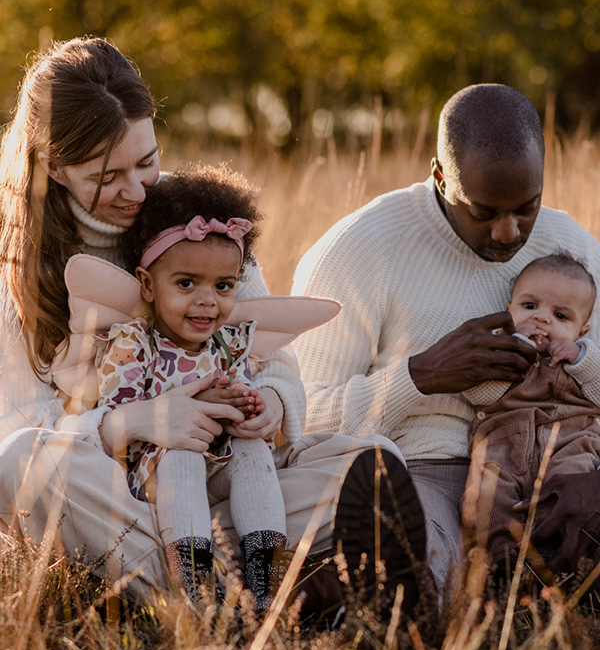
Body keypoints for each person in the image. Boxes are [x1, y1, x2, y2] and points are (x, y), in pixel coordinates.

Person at [0, 36, 421, 614]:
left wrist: (270, 401)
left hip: (223, 477)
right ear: (54, 166)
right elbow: (27, 430)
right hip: (112, 494)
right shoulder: (17, 273)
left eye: (146, 162)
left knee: (370, 462)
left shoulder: (195, 222)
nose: (137, 190)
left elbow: (275, 360)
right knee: (19, 463)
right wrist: (136, 421)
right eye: (107, 175)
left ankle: (228, 571)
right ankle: (234, 593)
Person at [292, 84, 600, 597]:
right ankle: (382, 590)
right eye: (483, 211)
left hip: (566, 457)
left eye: (528, 206)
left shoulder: (570, 249)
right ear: (439, 176)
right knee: (427, 550)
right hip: (427, 469)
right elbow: (296, 419)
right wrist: (420, 377)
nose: (508, 232)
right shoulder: (360, 249)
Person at [96, 166, 291, 610]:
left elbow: (241, 383)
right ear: (148, 284)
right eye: (186, 284)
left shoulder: (227, 341)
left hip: (219, 463)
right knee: (181, 454)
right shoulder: (134, 343)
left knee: (254, 451)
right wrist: (186, 410)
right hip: (159, 468)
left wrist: (250, 405)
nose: (208, 301)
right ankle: (197, 586)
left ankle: (266, 578)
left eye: (223, 286)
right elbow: (119, 413)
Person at [463, 253, 600, 568]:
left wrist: (582, 359)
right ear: (508, 308)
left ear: (582, 331)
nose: (542, 319)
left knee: (567, 489)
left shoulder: (585, 360)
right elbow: (475, 394)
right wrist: (511, 349)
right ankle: (500, 561)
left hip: (571, 438)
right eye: (529, 307)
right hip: (502, 443)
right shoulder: (498, 348)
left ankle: (554, 556)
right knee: (487, 499)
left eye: (561, 316)